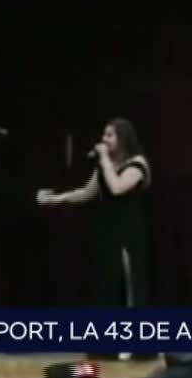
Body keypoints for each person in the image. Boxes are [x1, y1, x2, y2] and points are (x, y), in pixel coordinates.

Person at [37, 118, 154, 361]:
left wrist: (104, 160)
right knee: (107, 286)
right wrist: (57, 199)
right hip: (107, 233)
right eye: (104, 135)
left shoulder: (137, 164)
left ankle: (137, 344)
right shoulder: (105, 164)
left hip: (128, 234)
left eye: (109, 135)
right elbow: (87, 192)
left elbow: (117, 188)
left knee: (129, 286)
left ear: (123, 138)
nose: (104, 140)